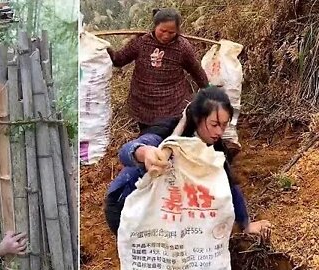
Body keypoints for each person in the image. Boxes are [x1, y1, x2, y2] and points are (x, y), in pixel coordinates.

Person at [104, 86, 271, 236]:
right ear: (198, 118)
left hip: (165, 209)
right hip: (124, 206)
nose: (219, 131)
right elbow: (127, 151)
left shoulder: (214, 148)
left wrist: (246, 224)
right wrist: (144, 152)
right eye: (214, 124)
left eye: (224, 125)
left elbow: (229, 184)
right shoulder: (168, 134)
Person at [107, 8, 209, 132]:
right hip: (143, 104)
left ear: (178, 31)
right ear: (155, 26)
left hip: (172, 106)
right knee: (148, 137)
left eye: (171, 32)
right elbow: (119, 60)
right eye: (162, 30)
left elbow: (196, 70)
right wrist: (105, 49)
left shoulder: (182, 47)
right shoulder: (141, 42)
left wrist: (208, 90)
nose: (166, 36)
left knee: (167, 137)